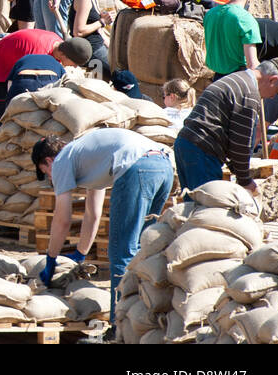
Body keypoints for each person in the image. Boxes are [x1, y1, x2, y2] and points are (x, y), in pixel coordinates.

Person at [33, 128, 174, 316]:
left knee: (121, 252)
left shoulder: (61, 161)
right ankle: (144, 315)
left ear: (49, 161)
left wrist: (51, 259)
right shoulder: (88, 157)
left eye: (47, 174)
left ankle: (119, 324)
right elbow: (93, 214)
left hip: (136, 167)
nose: (52, 179)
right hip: (163, 166)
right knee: (144, 250)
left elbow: (62, 219)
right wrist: (80, 255)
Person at [174, 60, 278, 193]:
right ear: (272, 80)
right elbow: (240, 143)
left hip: (187, 144)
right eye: (275, 92)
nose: (271, 97)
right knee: (208, 207)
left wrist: (235, 169)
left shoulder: (237, 79)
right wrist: (245, 181)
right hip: (202, 151)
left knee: (193, 206)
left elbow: (232, 138)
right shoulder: (249, 94)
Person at [0, 31, 92, 153]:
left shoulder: (57, 44)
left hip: (13, 70)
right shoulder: (38, 54)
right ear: (64, 55)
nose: (74, 67)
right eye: (74, 63)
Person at [204, 0, 263, 77]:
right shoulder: (246, 20)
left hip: (216, 78)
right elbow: (252, 64)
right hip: (238, 79)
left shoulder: (210, 14)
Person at [69, 0, 116, 77]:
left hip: (97, 46)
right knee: (119, 76)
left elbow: (97, 30)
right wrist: (101, 21)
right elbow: (78, 31)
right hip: (91, 51)